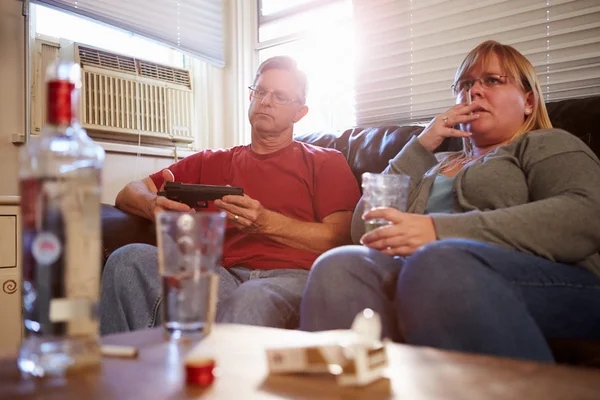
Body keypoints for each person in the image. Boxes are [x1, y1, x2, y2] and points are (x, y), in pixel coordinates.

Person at [299, 40, 600, 363]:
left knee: (437, 261)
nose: (475, 92)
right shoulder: (433, 162)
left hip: (551, 281)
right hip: (425, 270)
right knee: (338, 266)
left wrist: (436, 231)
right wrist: (421, 145)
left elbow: (585, 213)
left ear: (528, 101)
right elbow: (363, 231)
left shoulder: (545, 143)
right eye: (466, 84)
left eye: (492, 80)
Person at [100, 56, 361, 335]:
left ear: (300, 112)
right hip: (218, 276)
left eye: (280, 96)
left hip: (291, 278)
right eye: (260, 91)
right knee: (126, 261)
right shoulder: (209, 162)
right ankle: (128, 370)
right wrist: (153, 206)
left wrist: (266, 222)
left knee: (249, 298)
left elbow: (340, 237)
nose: (266, 101)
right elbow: (128, 193)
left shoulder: (325, 161)